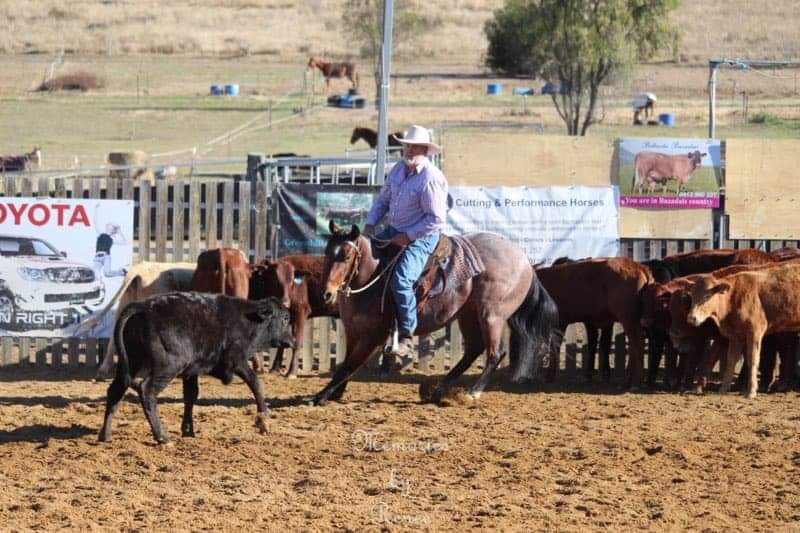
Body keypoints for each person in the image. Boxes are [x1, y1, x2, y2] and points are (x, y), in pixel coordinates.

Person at [362, 125, 449, 359]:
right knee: (362, 260)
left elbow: (435, 219)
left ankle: (406, 335)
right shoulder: (398, 170)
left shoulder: (431, 178)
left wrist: (407, 236)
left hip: (423, 236)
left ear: (425, 150)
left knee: (401, 280)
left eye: (415, 147)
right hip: (394, 229)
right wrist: (370, 225)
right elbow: (383, 200)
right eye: (407, 146)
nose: (409, 150)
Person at [93, 205, 128, 279]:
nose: (109, 226)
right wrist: (96, 209)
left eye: (111, 226)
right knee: (94, 273)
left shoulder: (112, 240)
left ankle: (121, 272)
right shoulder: (100, 234)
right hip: (97, 256)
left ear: (113, 229)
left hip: (106, 256)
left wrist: (120, 232)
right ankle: (99, 282)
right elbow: (95, 222)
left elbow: (125, 242)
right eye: (109, 225)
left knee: (107, 273)